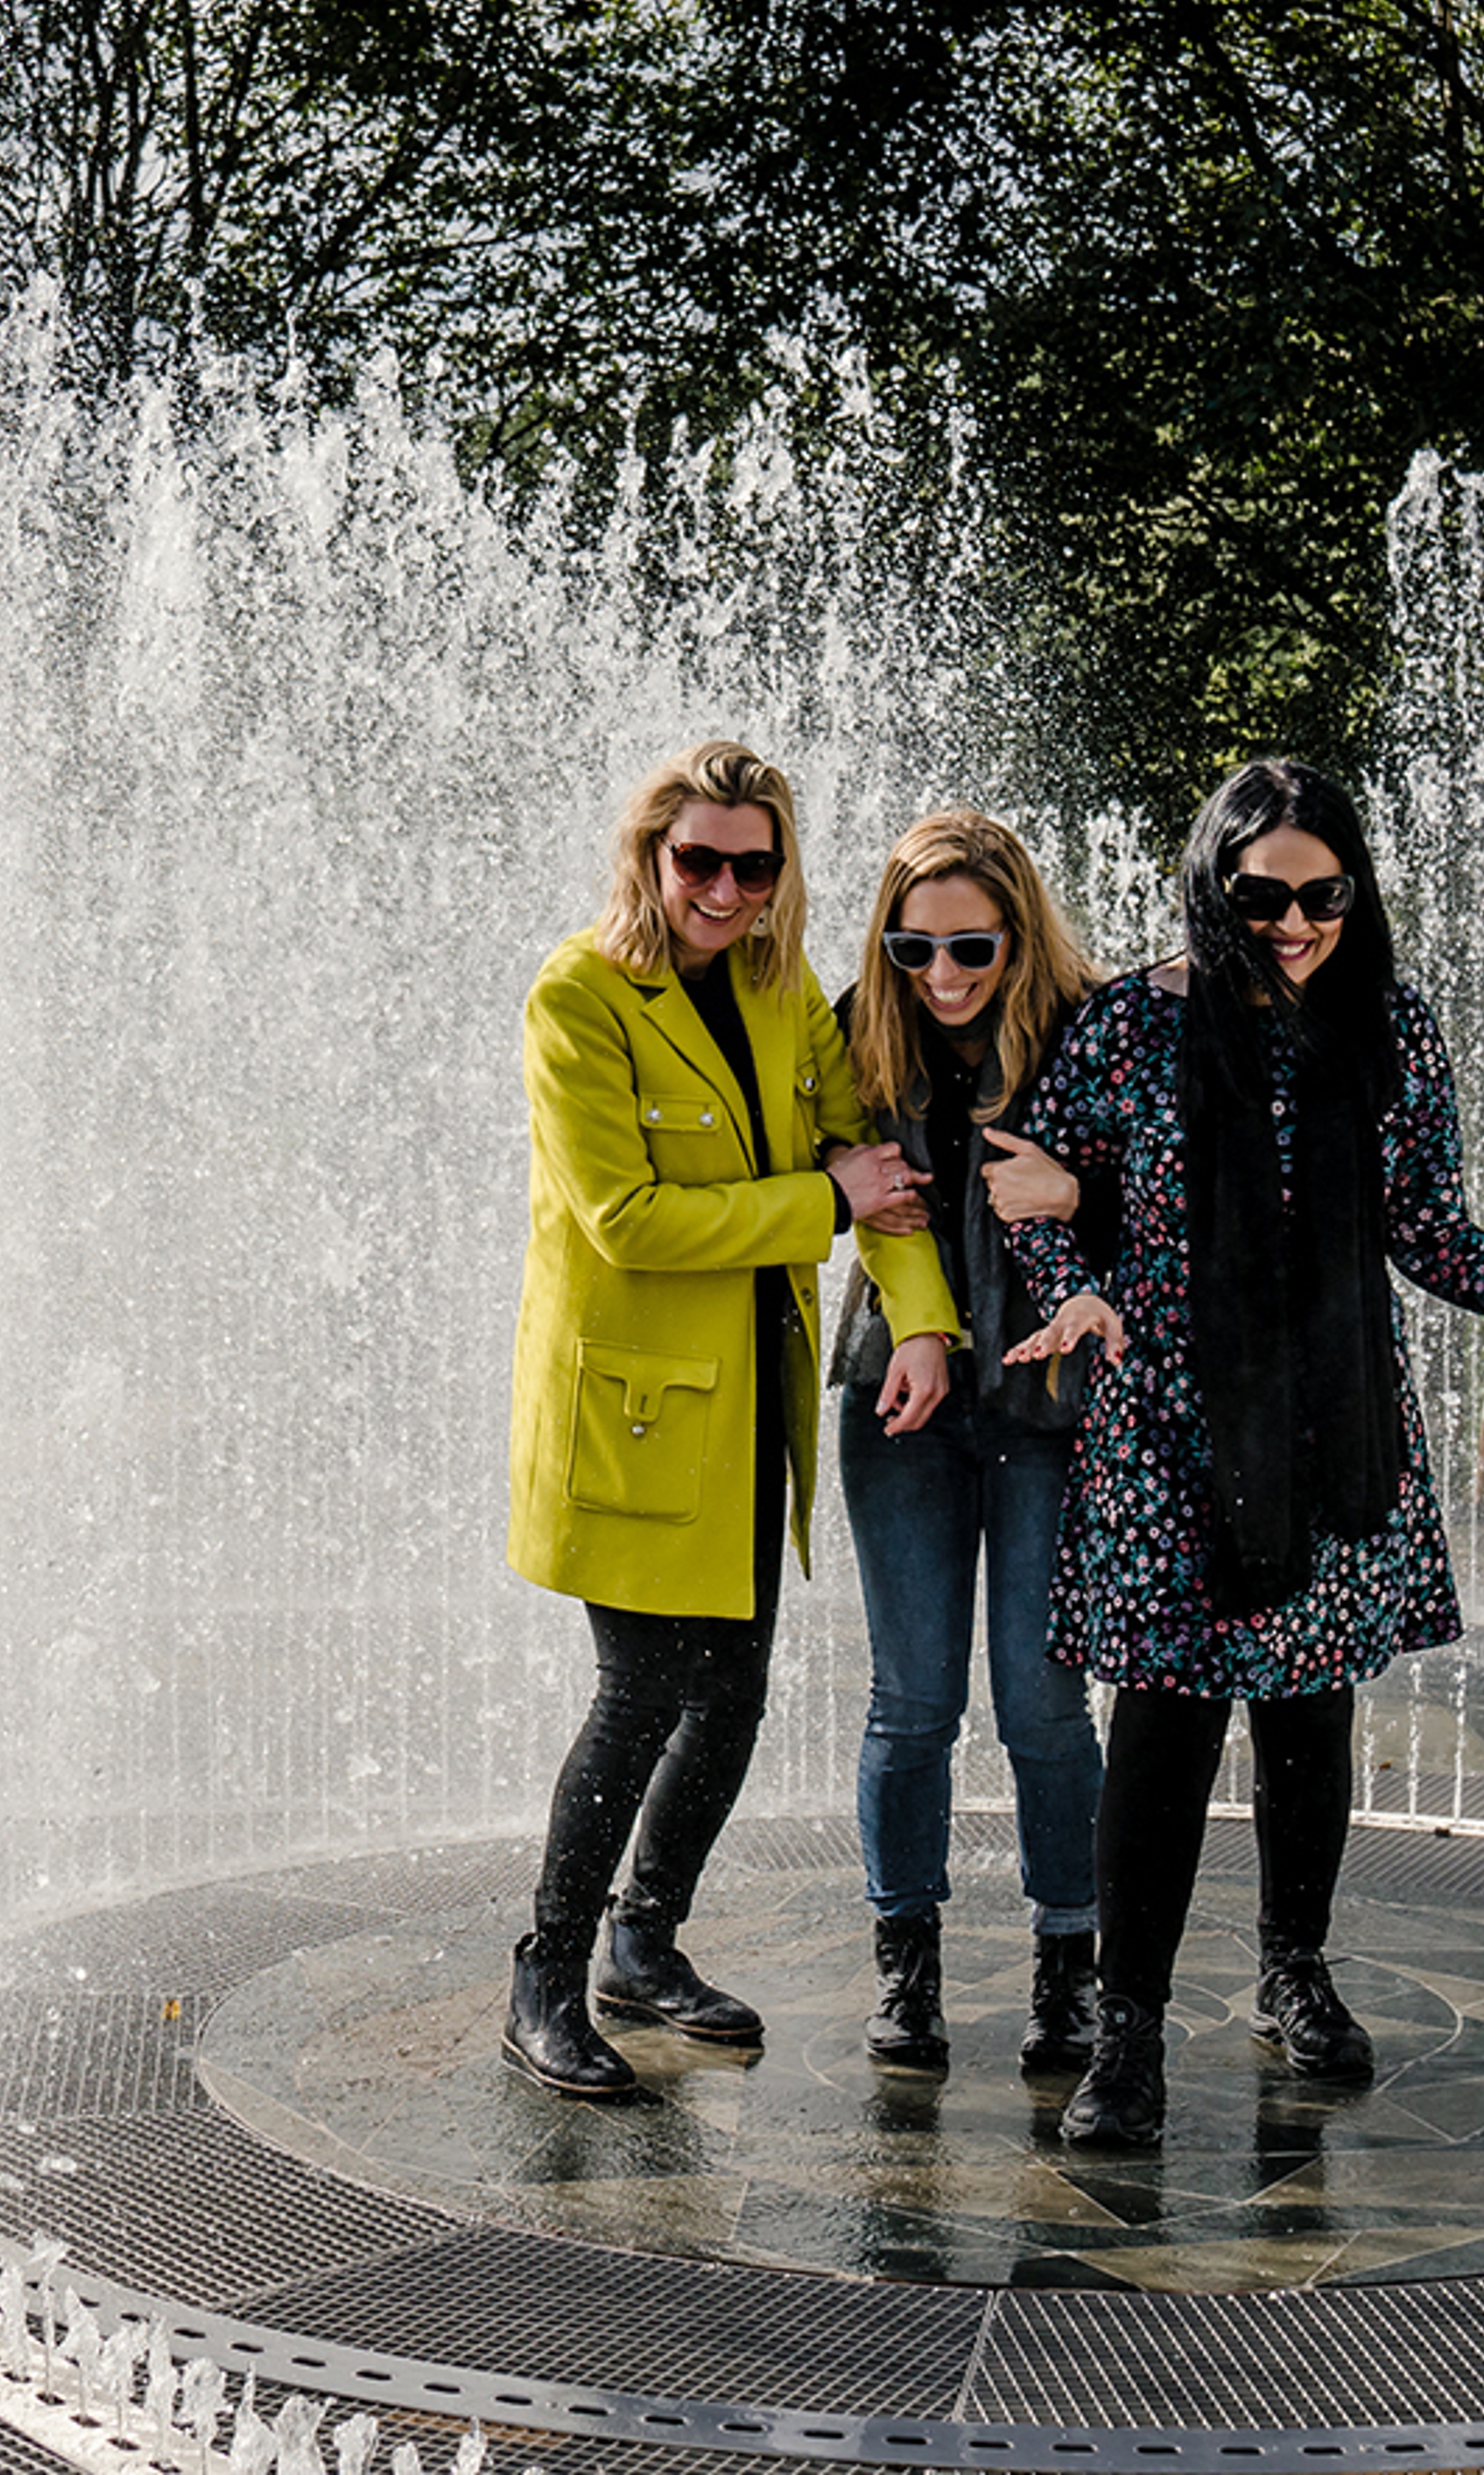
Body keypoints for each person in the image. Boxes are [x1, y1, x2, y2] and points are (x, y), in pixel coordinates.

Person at [1002, 758, 1484, 2146]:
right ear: (1213, 883)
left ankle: (1294, 1971)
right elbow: (1035, 1181)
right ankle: (1129, 2036)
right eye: (1260, 893)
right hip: (1165, 1425)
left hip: (1335, 1417)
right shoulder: (1128, 1028)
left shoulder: (1386, 1024)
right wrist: (1067, 1280)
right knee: (1161, 1726)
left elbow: (1428, 1227)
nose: (1292, 921)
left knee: (1310, 1712)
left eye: (1323, 893)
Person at [502, 739, 958, 2100]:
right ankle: (545, 1974)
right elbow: (627, 1220)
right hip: (631, 1416)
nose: (725, 888)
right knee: (641, 1692)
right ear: (651, 853)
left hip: (751, 1398)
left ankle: (644, 1943)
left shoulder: (777, 990)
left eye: (754, 865)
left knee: (737, 1692)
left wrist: (923, 1318)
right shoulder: (578, 994)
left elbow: (873, 1161)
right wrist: (821, 1200)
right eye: (699, 858)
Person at [830, 809, 1109, 2076]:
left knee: (1044, 1702)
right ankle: (908, 1958)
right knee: (915, 1698)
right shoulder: (850, 1029)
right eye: (912, 948)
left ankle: (1070, 1965)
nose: (939, 976)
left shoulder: (1092, 1029)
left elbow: (1174, 1184)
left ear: (1021, 931)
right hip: (905, 1397)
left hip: (1053, 1406)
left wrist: (1083, 1195)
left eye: (970, 948)